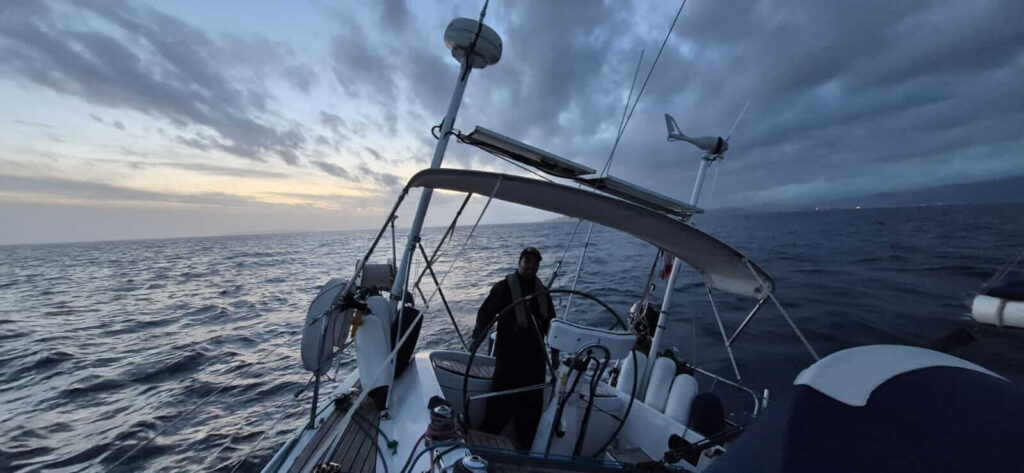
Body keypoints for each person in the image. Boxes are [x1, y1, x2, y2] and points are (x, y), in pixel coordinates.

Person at [472, 246, 556, 448]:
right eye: (527, 261)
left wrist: (556, 355)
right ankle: (485, 444)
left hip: (535, 357)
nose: (531, 265)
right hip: (509, 355)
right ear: (519, 263)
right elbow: (485, 314)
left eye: (535, 262)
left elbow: (554, 325)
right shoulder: (503, 287)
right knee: (499, 402)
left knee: (531, 405)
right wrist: (476, 339)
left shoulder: (542, 292)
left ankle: (526, 446)